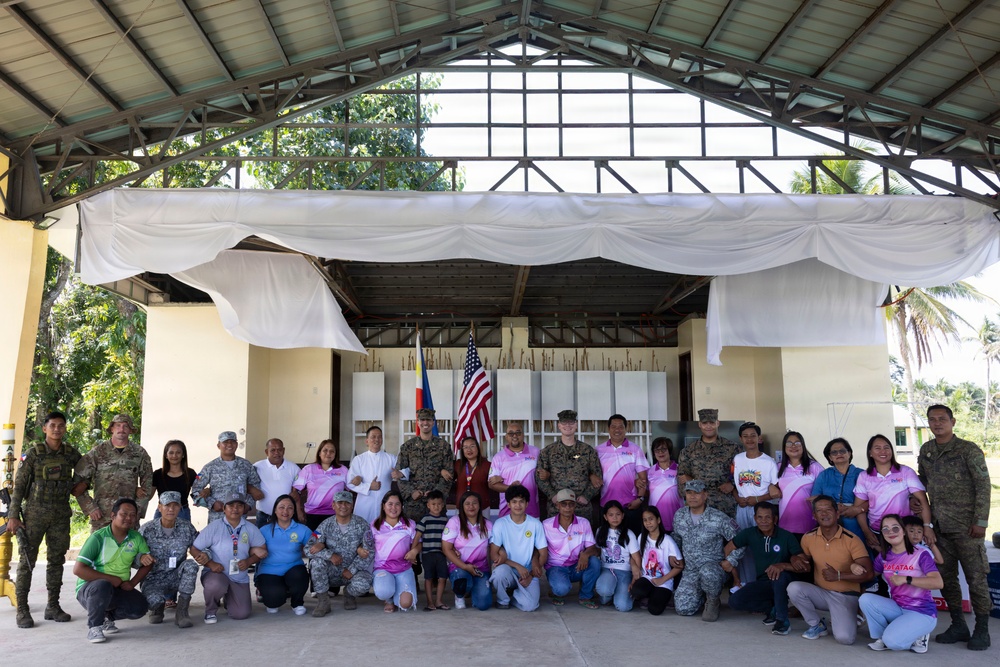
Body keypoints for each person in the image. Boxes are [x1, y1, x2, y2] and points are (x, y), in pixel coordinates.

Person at [917, 404, 992, 650]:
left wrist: (980, 522)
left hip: (967, 528)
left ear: (953, 421)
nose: (937, 423)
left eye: (942, 419)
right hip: (940, 529)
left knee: (976, 579)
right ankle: (958, 625)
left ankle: (982, 629)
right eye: (932, 420)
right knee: (947, 579)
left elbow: (983, 486)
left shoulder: (967, 450)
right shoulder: (926, 450)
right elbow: (923, 483)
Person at [9, 410, 82, 628]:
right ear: (44, 428)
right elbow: (19, 486)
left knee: (56, 561)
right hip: (34, 514)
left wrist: (83, 485)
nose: (57, 429)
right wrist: (13, 516)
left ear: (65, 428)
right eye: (52, 425)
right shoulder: (33, 453)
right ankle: (22, 610)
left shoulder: (71, 454)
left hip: (60, 514)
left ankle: (53, 606)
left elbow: (86, 471)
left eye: (61, 425)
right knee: (27, 562)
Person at [787, 496, 873, 645]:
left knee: (844, 638)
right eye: (819, 511)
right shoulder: (808, 537)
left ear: (837, 513)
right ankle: (817, 625)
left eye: (828, 510)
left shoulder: (852, 539)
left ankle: (852, 615)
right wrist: (794, 559)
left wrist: (839, 575)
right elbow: (805, 564)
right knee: (794, 588)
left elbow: (868, 574)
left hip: (846, 596)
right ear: (814, 516)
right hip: (821, 593)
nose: (824, 514)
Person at [73, 498, 153, 644]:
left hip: (117, 588)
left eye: (132, 515)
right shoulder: (98, 537)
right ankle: (94, 627)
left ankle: (107, 617)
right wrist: (110, 579)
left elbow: (148, 563)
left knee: (140, 607)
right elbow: (78, 570)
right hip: (91, 589)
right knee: (103, 585)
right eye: (124, 514)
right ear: (113, 516)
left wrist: (132, 583)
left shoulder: (136, 537)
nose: (128, 518)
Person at [859, 514, 942, 653]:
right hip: (898, 607)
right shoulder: (884, 556)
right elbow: (870, 575)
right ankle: (882, 638)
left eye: (895, 528)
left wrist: (907, 579)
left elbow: (938, 582)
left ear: (903, 531)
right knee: (866, 599)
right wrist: (854, 567)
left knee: (893, 642)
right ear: (882, 534)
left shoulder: (921, 554)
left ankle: (918, 634)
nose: (890, 532)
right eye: (885, 529)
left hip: (922, 612)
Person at [725, 502, 805, 636]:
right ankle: (774, 608)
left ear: (775, 519)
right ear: (755, 518)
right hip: (764, 582)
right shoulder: (749, 533)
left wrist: (783, 565)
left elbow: (804, 565)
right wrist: (735, 577)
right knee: (735, 601)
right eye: (760, 517)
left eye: (768, 517)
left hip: (784, 582)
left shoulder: (786, 536)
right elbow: (728, 548)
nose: (763, 521)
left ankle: (782, 621)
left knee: (779, 576)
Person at [671, 480, 743, 621]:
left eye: (697, 493)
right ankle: (701, 594)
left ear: (705, 495)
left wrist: (731, 561)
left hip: (713, 568)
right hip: (691, 570)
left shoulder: (718, 517)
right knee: (683, 608)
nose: (692, 496)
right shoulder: (680, 515)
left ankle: (713, 600)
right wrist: (673, 556)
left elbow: (740, 540)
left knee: (708, 573)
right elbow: (676, 539)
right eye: (689, 493)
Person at [190, 493, 267, 624]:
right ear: (224, 508)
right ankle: (210, 611)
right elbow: (194, 548)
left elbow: (262, 551)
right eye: (231, 505)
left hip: (239, 576)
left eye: (239, 506)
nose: (235, 509)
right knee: (216, 585)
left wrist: (249, 561)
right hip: (217, 573)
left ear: (244, 509)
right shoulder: (214, 526)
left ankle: (229, 599)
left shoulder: (250, 528)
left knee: (241, 614)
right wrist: (210, 564)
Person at [74, 414, 154, 531]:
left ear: (130, 430)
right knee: (99, 548)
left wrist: (137, 510)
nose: (121, 429)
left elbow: (148, 483)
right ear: (111, 428)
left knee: (128, 549)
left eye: (125, 426)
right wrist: (90, 507)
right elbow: (77, 481)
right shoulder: (97, 452)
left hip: (128, 518)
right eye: (118, 426)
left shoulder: (139, 453)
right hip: (102, 516)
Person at [854, 434, 932, 552]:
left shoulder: (905, 472)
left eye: (886, 447)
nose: (883, 451)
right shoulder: (864, 476)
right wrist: (867, 532)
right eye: (877, 448)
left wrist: (927, 526)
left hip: (905, 531)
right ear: (870, 453)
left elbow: (922, 501)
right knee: (885, 567)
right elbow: (858, 508)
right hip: (878, 531)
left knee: (908, 567)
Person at [307, 490, 375, 616]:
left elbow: (369, 552)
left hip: (352, 571)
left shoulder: (362, 525)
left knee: (365, 583)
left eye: (347, 503)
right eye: (340, 503)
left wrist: (353, 569)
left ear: (352, 505)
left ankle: (349, 594)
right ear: (333, 505)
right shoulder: (324, 525)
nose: (343, 506)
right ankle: (323, 602)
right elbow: (308, 548)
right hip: (331, 570)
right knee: (316, 563)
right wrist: (328, 555)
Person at [138, 491, 199, 628]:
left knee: (191, 566)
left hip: (175, 575)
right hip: (153, 578)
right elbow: (133, 553)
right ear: (159, 507)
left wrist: (205, 555)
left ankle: (182, 612)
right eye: (167, 505)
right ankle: (157, 608)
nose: (171, 509)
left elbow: (198, 547)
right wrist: (141, 558)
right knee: (153, 602)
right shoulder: (147, 529)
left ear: (180, 508)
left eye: (175, 505)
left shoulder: (186, 527)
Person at [732, 421, 779, 586]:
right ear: (741, 439)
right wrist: (738, 498)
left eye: (753, 436)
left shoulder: (769, 462)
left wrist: (757, 500)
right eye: (745, 436)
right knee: (743, 547)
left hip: (761, 511)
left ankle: (765, 584)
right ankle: (746, 584)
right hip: (742, 509)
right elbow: (734, 485)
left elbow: (776, 493)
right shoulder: (737, 459)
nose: (749, 439)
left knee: (762, 547)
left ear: (759, 438)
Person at [536, 409, 602, 521]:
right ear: (559, 426)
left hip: (581, 508)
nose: (568, 425)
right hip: (556, 507)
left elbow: (598, 477)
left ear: (576, 425)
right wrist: (552, 495)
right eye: (564, 423)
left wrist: (587, 496)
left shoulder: (588, 451)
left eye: (571, 422)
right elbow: (539, 477)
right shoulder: (547, 452)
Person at [489, 485, 548, 611]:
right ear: (508, 504)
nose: (518, 505)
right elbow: (493, 554)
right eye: (514, 502)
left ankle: (514, 595)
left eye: (521, 501)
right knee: (499, 574)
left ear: (527, 504)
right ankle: (503, 600)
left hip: (528, 571)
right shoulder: (501, 524)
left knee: (530, 606)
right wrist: (516, 565)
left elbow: (543, 553)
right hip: (508, 568)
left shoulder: (535, 524)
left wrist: (531, 575)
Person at [541, 488, 602, 609]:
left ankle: (585, 596)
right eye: (564, 504)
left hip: (577, 566)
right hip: (556, 567)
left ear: (575, 506)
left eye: (571, 504)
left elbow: (593, 548)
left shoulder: (583, 523)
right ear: (557, 505)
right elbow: (540, 550)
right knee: (562, 589)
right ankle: (556, 591)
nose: (567, 508)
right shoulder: (546, 525)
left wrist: (585, 555)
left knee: (595, 562)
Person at [676, 408, 741, 518]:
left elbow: (742, 472)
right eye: (705, 423)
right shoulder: (688, 450)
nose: (708, 426)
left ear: (718, 423)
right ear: (700, 424)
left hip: (725, 505)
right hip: (699, 506)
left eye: (712, 422)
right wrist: (691, 496)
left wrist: (732, 484)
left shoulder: (732, 448)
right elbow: (682, 480)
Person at [190, 431, 264, 525]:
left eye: (232, 442)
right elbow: (195, 490)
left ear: (236, 444)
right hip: (217, 518)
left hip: (240, 518)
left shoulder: (246, 465)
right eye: (225, 442)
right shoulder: (210, 467)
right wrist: (211, 504)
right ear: (218, 445)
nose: (229, 444)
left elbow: (256, 485)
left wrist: (248, 505)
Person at [255, 494, 310, 615]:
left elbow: (317, 537)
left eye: (290, 507)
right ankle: (276, 590)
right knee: (273, 603)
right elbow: (251, 547)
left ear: (294, 511)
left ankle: (297, 603)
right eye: (281, 507)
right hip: (269, 570)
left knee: (300, 575)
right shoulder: (264, 530)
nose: (285, 511)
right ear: (275, 510)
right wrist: (254, 550)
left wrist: (318, 543)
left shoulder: (302, 529)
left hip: (293, 568)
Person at [396, 408, 454, 522]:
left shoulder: (444, 447)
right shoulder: (407, 447)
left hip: (436, 505)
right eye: (422, 420)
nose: (425, 423)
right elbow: (400, 474)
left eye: (428, 419)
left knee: (436, 537)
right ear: (418, 422)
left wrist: (436, 494)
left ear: (433, 422)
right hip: (413, 505)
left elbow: (449, 475)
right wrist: (411, 492)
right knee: (413, 538)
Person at [596, 414, 649, 535]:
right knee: (607, 542)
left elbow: (643, 479)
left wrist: (640, 500)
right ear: (608, 429)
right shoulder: (598, 450)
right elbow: (591, 473)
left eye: (620, 427)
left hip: (629, 505)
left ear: (626, 429)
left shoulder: (635, 449)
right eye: (613, 426)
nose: (617, 430)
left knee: (631, 541)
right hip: (606, 505)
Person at [442, 491, 493, 611]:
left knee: (484, 604)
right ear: (462, 506)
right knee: (462, 580)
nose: (471, 506)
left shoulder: (488, 525)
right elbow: (446, 548)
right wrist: (465, 567)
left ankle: (474, 588)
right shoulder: (454, 522)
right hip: (459, 567)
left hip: (481, 568)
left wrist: (490, 571)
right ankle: (460, 595)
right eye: (467, 504)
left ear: (480, 505)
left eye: (474, 503)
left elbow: (493, 549)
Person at [371, 491, 420, 612]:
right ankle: (389, 599)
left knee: (406, 604)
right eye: (390, 504)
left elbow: (419, 542)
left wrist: (415, 551)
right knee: (384, 592)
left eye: (397, 504)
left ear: (402, 506)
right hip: (383, 568)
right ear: (383, 506)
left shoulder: (410, 524)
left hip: (404, 568)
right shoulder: (375, 525)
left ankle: (397, 592)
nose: (394, 508)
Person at [630, 506, 683, 616]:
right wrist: (634, 566)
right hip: (648, 577)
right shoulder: (641, 537)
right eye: (645, 520)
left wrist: (662, 580)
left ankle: (664, 596)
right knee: (636, 591)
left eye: (651, 519)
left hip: (664, 580)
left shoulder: (667, 541)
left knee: (655, 610)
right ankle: (651, 594)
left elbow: (680, 565)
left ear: (658, 520)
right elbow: (634, 556)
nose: (648, 523)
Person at [347, 425, 404, 523]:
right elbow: (350, 483)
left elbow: (404, 471)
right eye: (373, 437)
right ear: (367, 441)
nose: (377, 439)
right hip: (365, 503)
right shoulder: (359, 459)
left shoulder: (391, 458)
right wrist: (369, 486)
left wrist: (400, 474)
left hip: (385, 503)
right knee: (363, 531)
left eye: (379, 437)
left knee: (382, 532)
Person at [594, 500, 641, 612]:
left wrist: (635, 577)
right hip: (607, 570)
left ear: (623, 516)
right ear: (605, 517)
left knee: (623, 607)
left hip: (624, 572)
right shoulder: (600, 531)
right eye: (611, 515)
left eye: (618, 514)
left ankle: (622, 593)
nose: (615, 518)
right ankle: (610, 592)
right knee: (604, 593)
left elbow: (636, 557)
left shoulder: (629, 533)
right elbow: (597, 551)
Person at [812, 438, 865, 538]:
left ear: (849, 453)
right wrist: (834, 506)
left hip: (857, 522)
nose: (838, 454)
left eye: (842, 451)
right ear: (830, 457)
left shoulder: (861, 474)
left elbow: (873, 499)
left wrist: (857, 509)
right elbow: (814, 499)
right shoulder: (824, 475)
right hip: (830, 523)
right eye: (834, 452)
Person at [774, 431, 823, 538]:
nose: (793, 446)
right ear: (784, 446)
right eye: (789, 443)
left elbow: (825, 491)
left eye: (797, 443)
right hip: (785, 523)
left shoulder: (814, 466)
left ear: (803, 445)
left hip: (809, 523)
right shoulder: (777, 467)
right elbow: (770, 486)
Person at [292, 438, 349, 530]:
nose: (328, 453)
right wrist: (299, 510)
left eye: (332, 451)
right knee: (315, 540)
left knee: (332, 543)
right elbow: (296, 490)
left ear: (335, 454)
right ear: (319, 453)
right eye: (325, 450)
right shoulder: (309, 469)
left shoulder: (343, 470)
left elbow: (353, 489)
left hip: (335, 515)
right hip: (313, 515)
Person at [488, 421, 541, 518]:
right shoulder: (498, 457)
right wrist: (510, 488)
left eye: (518, 432)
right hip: (507, 511)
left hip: (531, 509)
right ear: (506, 437)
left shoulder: (536, 452)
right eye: (511, 433)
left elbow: (544, 474)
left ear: (523, 435)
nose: (515, 436)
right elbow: (491, 484)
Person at [253, 438, 301, 527]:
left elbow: (301, 486)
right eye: (273, 450)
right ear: (266, 452)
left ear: (284, 450)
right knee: (261, 540)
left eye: (279, 450)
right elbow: (247, 483)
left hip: (286, 517)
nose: (276, 453)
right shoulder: (257, 467)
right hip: (264, 516)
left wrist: (297, 492)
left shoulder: (293, 468)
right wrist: (253, 490)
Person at [416, 489, 450, 610]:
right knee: (428, 577)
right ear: (428, 505)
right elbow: (417, 536)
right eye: (433, 504)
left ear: (443, 505)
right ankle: (430, 602)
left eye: (439, 504)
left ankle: (439, 601)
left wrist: (454, 549)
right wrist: (412, 550)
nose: (436, 507)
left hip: (441, 554)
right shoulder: (425, 519)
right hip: (427, 554)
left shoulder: (445, 520)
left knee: (443, 577)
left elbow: (449, 538)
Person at [151, 440, 197, 522]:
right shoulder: (157, 474)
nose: (174, 455)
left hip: (182, 512)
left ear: (183, 455)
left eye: (178, 452)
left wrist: (206, 491)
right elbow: (148, 495)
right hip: (162, 513)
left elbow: (198, 491)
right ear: (166, 455)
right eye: (171, 453)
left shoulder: (190, 473)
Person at [646, 437, 682, 532]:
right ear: (653, 453)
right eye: (657, 450)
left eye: (663, 449)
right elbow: (644, 492)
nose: (660, 453)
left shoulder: (680, 470)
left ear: (669, 451)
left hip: (677, 518)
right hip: (655, 520)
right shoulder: (649, 471)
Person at [454, 437, 492, 516]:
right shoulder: (458, 464)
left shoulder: (487, 465)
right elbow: (448, 477)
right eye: (465, 447)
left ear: (478, 448)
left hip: (482, 507)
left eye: (472, 446)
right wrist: (443, 471)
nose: (469, 450)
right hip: (462, 506)